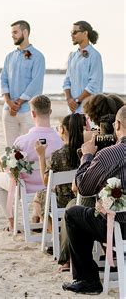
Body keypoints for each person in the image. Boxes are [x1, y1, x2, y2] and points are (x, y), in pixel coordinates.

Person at [62, 104, 126, 295]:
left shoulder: (108, 154)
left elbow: (83, 188)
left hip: (119, 227)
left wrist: (87, 156)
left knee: (73, 214)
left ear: (118, 125)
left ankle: (88, 280)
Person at [0, 95, 63, 230]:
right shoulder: (60, 141)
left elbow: (10, 169)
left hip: (25, 188)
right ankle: (36, 215)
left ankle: (12, 223)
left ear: (32, 113)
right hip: (51, 188)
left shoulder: (22, 141)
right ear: (50, 112)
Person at [32, 113, 85, 224]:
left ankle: (56, 235)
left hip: (63, 202)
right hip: (84, 200)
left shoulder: (57, 156)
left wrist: (41, 156)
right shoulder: (87, 152)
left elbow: (46, 183)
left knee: (38, 199)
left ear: (62, 130)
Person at [0, 20, 45, 147]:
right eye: (12, 33)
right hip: (8, 110)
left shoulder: (38, 56)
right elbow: (3, 79)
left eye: (15, 32)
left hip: (27, 111)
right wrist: (8, 102)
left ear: (25, 32)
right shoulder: (9, 57)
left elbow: (35, 83)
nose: (12, 35)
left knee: (29, 148)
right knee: (11, 149)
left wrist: (18, 102)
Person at [63, 21, 103, 114]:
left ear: (85, 33)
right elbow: (67, 81)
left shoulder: (95, 55)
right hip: (72, 110)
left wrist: (77, 101)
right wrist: (69, 99)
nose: (72, 35)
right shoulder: (72, 56)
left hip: (89, 110)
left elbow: (94, 84)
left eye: (75, 32)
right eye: (71, 33)